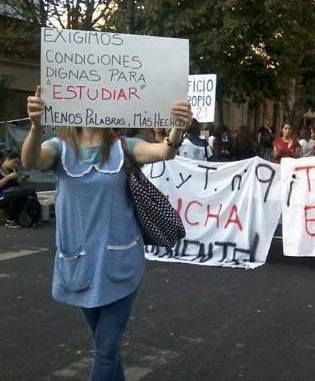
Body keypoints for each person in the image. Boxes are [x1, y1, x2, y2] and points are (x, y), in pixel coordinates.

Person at [21, 86, 192, 381]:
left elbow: (164, 151)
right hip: (80, 265)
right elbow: (30, 160)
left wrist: (176, 130)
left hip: (120, 263)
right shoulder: (59, 148)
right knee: (105, 347)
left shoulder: (125, 147)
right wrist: (36, 127)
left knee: (106, 348)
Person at [0, 151, 39, 228]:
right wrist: (8, 177)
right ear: (7, 159)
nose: (15, 165)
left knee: (30, 192)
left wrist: (21, 180)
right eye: (14, 162)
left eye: (17, 163)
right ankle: (10, 220)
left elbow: (15, 186)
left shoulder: (13, 170)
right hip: (1, 196)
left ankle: (32, 216)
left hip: (10, 194)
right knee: (19, 193)